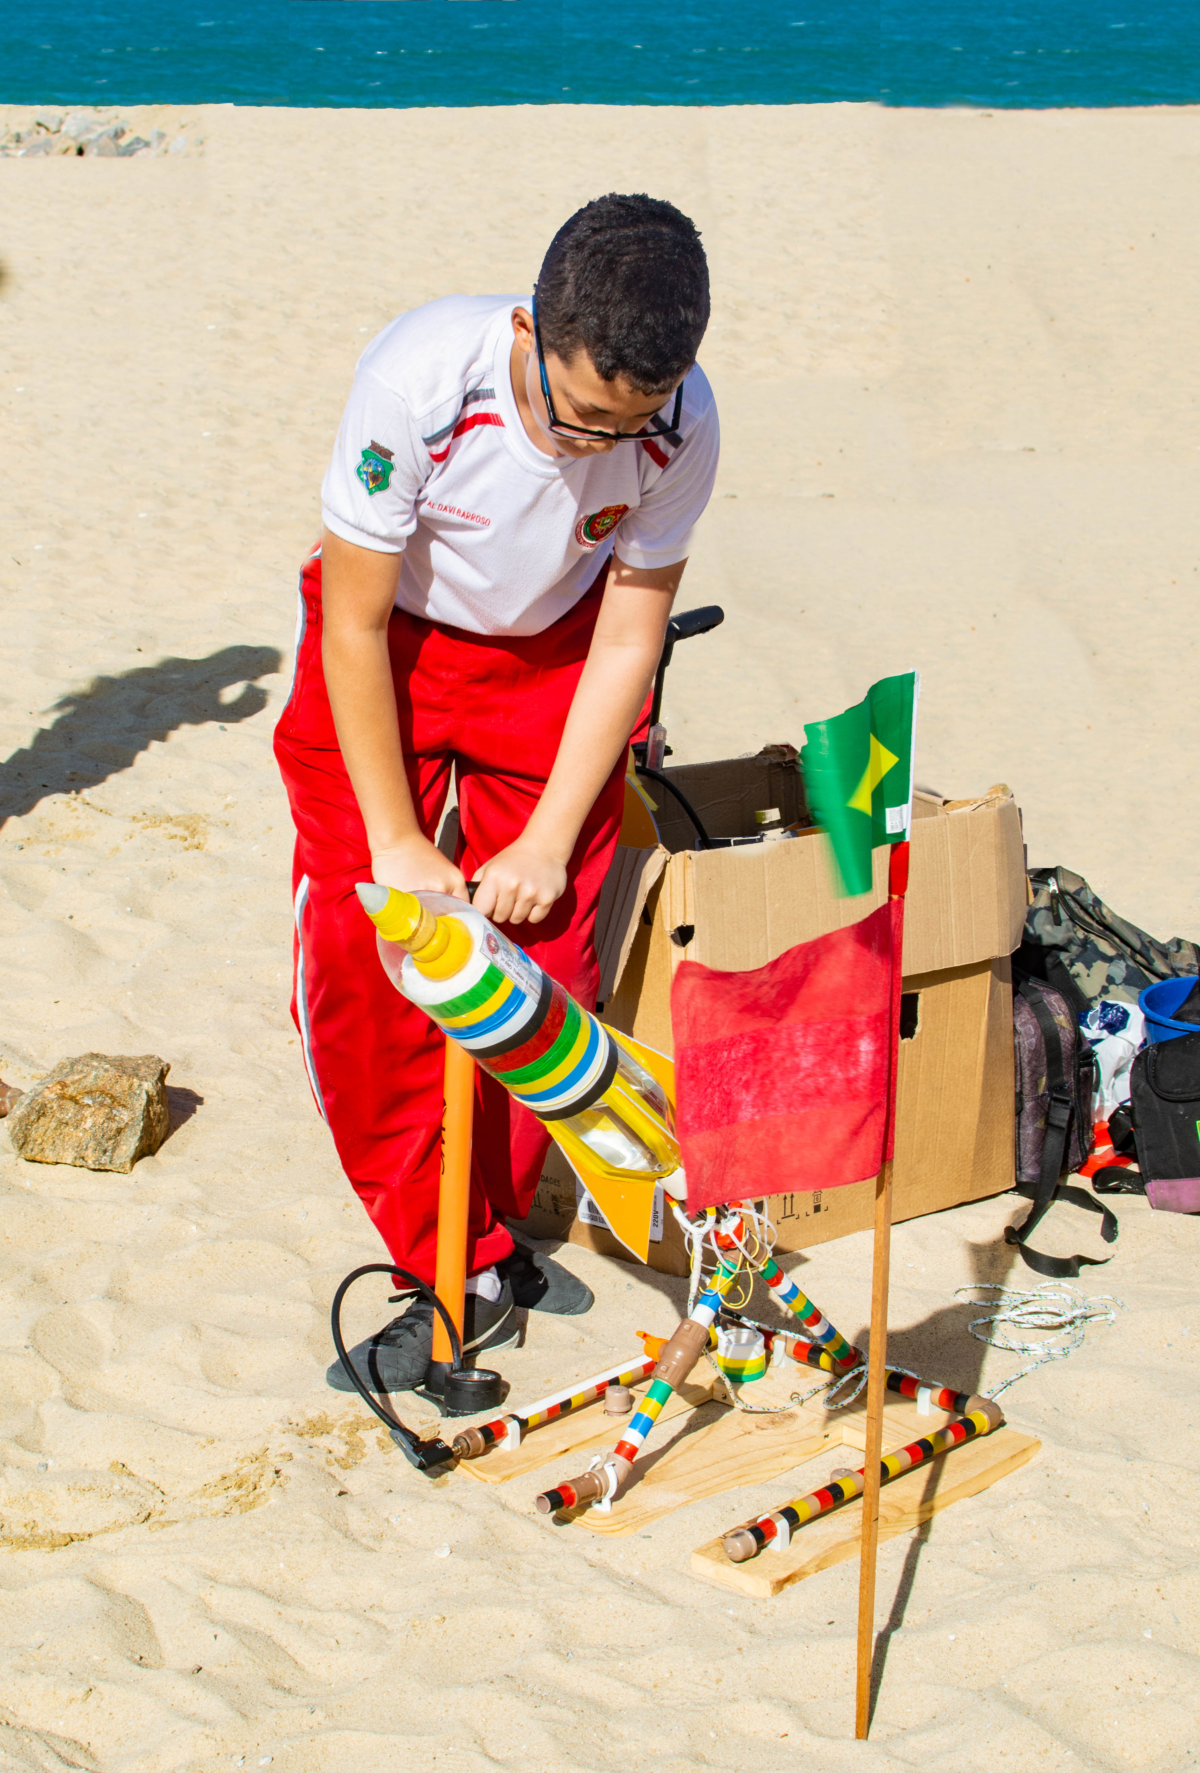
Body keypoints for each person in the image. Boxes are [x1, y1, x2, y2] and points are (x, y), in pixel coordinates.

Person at [274, 192, 719, 1391]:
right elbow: (354, 624)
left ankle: (493, 1221)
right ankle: (437, 1261)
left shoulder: (682, 423)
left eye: (626, 425)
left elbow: (630, 638)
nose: (595, 449)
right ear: (530, 334)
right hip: (394, 650)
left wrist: (546, 839)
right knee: (375, 958)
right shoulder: (419, 379)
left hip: (556, 657)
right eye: (577, 419)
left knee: (551, 959)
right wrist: (399, 839)